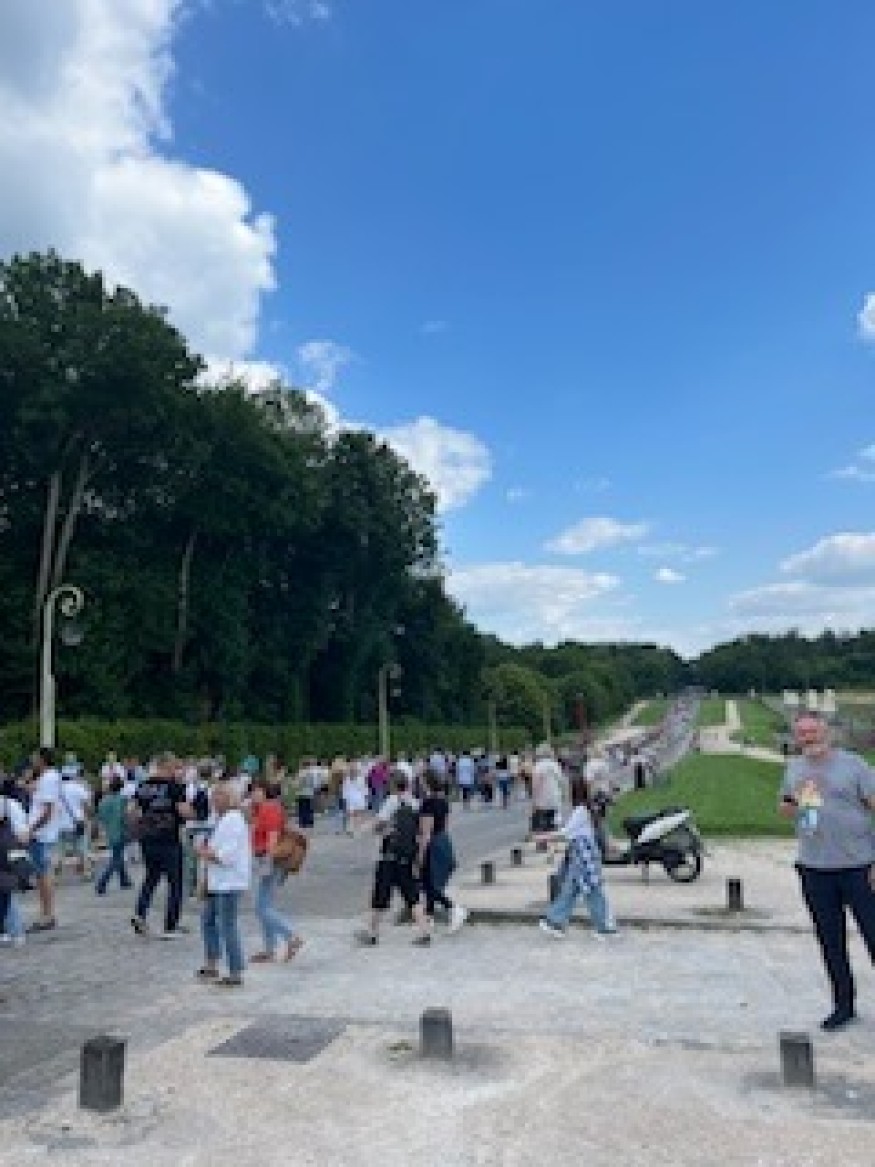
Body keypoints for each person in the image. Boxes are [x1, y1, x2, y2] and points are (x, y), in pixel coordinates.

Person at [779, 714, 875, 1031]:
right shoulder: (795, 768)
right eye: (802, 733)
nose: (809, 737)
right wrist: (792, 806)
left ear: (827, 732)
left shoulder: (854, 766)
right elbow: (788, 807)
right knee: (831, 942)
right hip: (815, 868)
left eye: (814, 731)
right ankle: (843, 1006)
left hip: (859, 867)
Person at [356, 771, 431, 947]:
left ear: (393, 785)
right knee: (412, 895)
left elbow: (379, 824)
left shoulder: (391, 801)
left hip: (389, 857)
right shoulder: (415, 803)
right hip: (407, 856)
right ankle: (425, 931)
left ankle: (372, 933)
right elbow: (419, 831)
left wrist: (369, 829)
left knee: (380, 895)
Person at [537, 778, 617, 939]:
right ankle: (602, 927)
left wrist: (544, 837)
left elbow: (567, 832)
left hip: (583, 854)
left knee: (576, 890)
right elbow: (570, 832)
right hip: (584, 854)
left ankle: (554, 921)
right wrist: (546, 838)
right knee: (591, 890)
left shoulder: (582, 810)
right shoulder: (586, 810)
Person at [129, 753, 193, 938]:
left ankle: (140, 914)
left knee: (151, 878)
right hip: (169, 840)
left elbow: (131, 811)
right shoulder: (175, 787)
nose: (176, 771)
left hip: (148, 839)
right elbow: (184, 811)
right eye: (174, 767)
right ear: (166, 766)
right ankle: (171, 925)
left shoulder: (143, 786)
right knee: (175, 883)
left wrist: (140, 828)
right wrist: (194, 812)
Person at [195, 781, 251, 987]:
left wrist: (205, 852)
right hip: (216, 880)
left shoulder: (233, 820)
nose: (213, 800)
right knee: (208, 920)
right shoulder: (221, 819)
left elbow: (227, 856)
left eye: (218, 796)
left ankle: (235, 970)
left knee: (227, 925)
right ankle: (212, 961)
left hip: (229, 881)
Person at [249, 779, 302, 963]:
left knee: (262, 907)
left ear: (265, 792)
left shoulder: (269, 809)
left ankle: (290, 936)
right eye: (252, 791)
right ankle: (270, 949)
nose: (253, 794)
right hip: (268, 859)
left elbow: (272, 837)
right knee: (266, 906)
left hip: (269, 860)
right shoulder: (265, 809)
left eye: (257, 791)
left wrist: (266, 861)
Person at [418, 770, 466, 933]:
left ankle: (453, 908)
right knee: (431, 882)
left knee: (430, 884)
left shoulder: (427, 804)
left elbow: (426, 833)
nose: (419, 784)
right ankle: (429, 918)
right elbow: (444, 825)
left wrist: (420, 855)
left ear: (427, 783)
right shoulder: (443, 801)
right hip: (443, 840)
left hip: (432, 844)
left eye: (421, 781)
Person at [26, 747, 62, 931]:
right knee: (42, 874)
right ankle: (46, 913)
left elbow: (47, 811)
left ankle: (47, 915)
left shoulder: (48, 779)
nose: (32, 760)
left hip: (41, 833)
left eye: (34, 757)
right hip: (42, 832)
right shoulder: (48, 777)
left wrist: (31, 829)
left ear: (42, 759)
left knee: (43, 875)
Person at [95, 776, 132, 894]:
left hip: (109, 831)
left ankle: (124, 880)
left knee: (117, 854)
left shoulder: (103, 800)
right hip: (120, 831)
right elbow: (124, 817)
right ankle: (102, 883)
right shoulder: (122, 800)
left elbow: (100, 817)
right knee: (116, 858)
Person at [531, 742, 563, 833]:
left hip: (542, 798)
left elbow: (535, 784)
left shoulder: (538, 766)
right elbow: (560, 781)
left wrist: (534, 800)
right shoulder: (555, 765)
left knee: (543, 824)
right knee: (553, 822)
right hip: (555, 797)